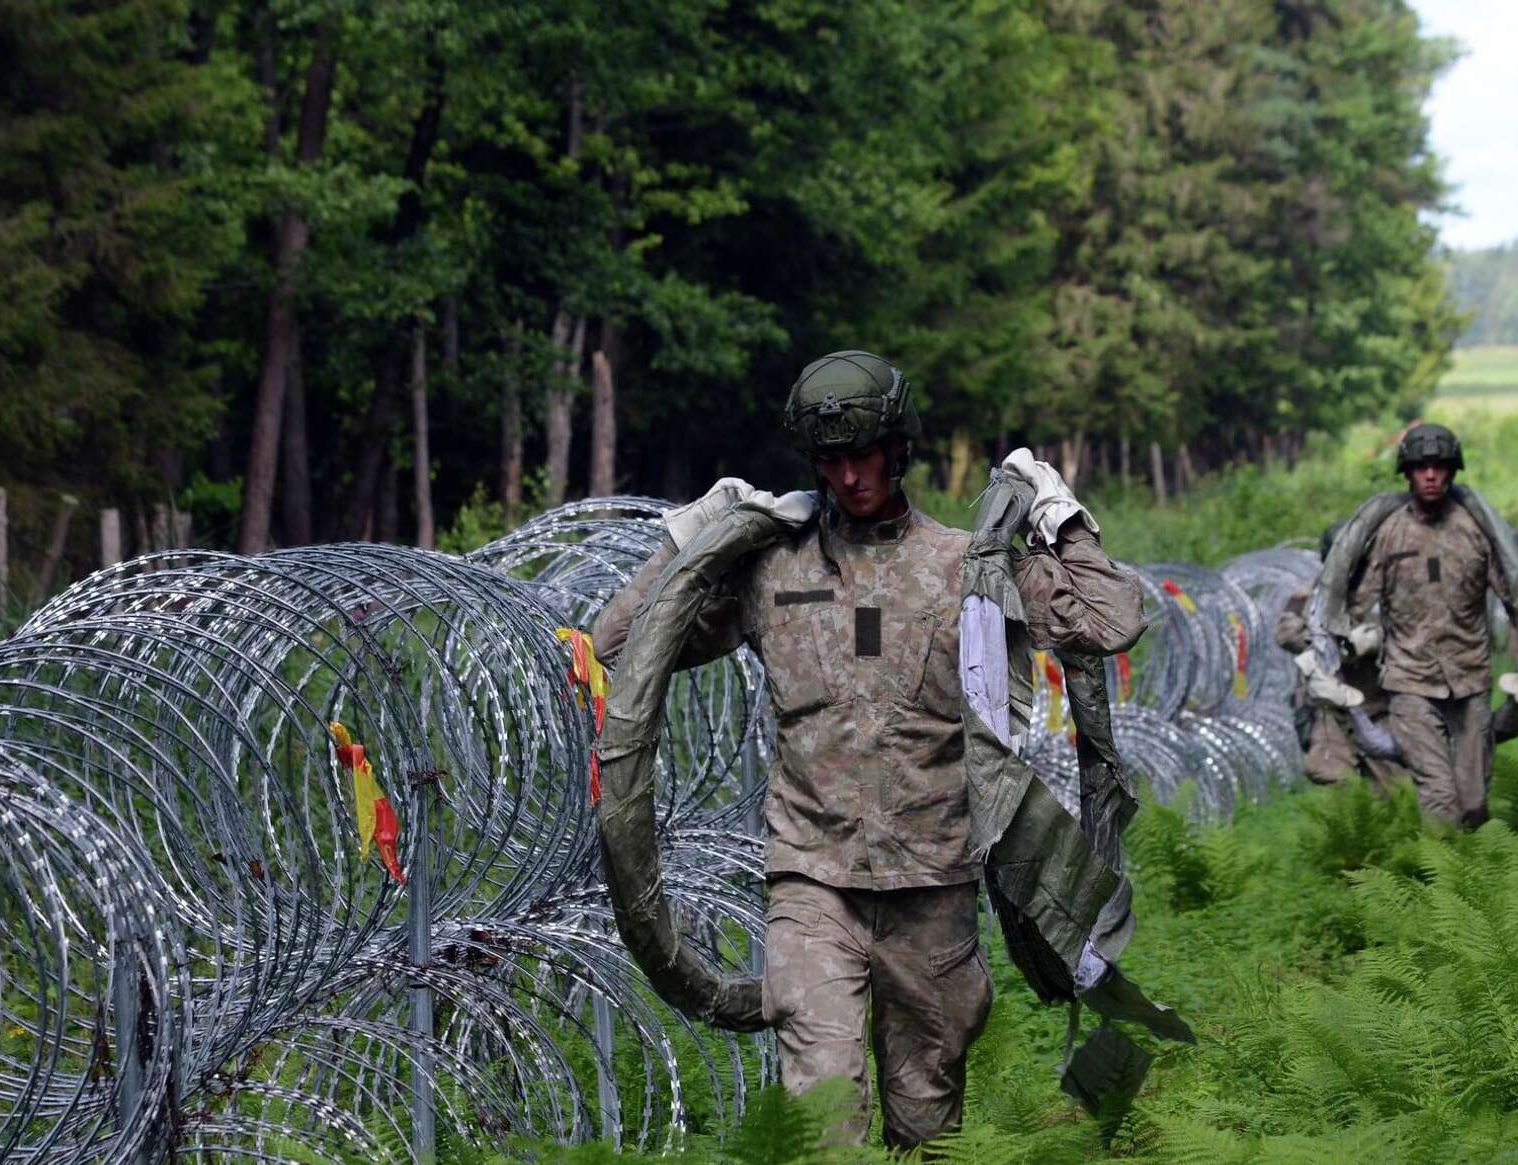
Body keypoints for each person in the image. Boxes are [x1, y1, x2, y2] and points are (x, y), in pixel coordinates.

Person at [592, 351, 1144, 1149]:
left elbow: (1115, 617)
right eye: (830, 460)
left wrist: (1062, 518)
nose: (849, 477)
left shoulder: (966, 566)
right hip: (813, 886)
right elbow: (619, 642)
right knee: (823, 1119)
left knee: (925, 1127)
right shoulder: (771, 569)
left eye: (864, 455)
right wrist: (693, 539)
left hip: (935, 889)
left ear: (900, 450)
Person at [1349, 424, 1510, 828]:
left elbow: (1515, 592)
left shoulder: (1476, 531)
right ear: (1408, 473)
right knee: (1439, 796)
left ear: (1453, 471)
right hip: (1410, 683)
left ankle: (1470, 882)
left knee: (1473, 803)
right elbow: (1354, 601)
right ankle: (1440, 885)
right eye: (1422, 467)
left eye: (1439, 466)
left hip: (1470, 679)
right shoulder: (1388, 533)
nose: (1431, 475)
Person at [1275, 523, 1397, 792]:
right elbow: (1285, 633)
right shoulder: (1309, 597)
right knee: (1327, 771)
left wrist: (1374, 641)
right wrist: (1322, 643)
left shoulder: (1385, 595)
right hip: (1333, 708)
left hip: (1379, 704)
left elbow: (1415, 634)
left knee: (1393, 789)